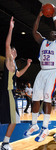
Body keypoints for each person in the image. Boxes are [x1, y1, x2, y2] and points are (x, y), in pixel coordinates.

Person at [24, 6, 56, 142]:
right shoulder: (43, 42)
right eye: (52, 32)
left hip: (54, 72)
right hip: (42, 72)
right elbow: (34, 31)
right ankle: (34, 125)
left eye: (55, 33)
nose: (54, 33)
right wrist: (39, 15)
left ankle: (45, 127)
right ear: (48, 35)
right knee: (36, 98)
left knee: (47, 98)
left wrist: (54, 17)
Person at [0, 17, 32, 150]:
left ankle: (5, 142)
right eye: (12, 50)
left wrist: (28, 65)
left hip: (9, 93)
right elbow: (7, 45)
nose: (14, 51)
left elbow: (18, 75)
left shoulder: (14, 66)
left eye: (14, 50)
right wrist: (11, 28)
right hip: (8, 92)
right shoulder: (9, 61)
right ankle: (5, 143)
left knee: (13, 119)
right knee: (14, 120)